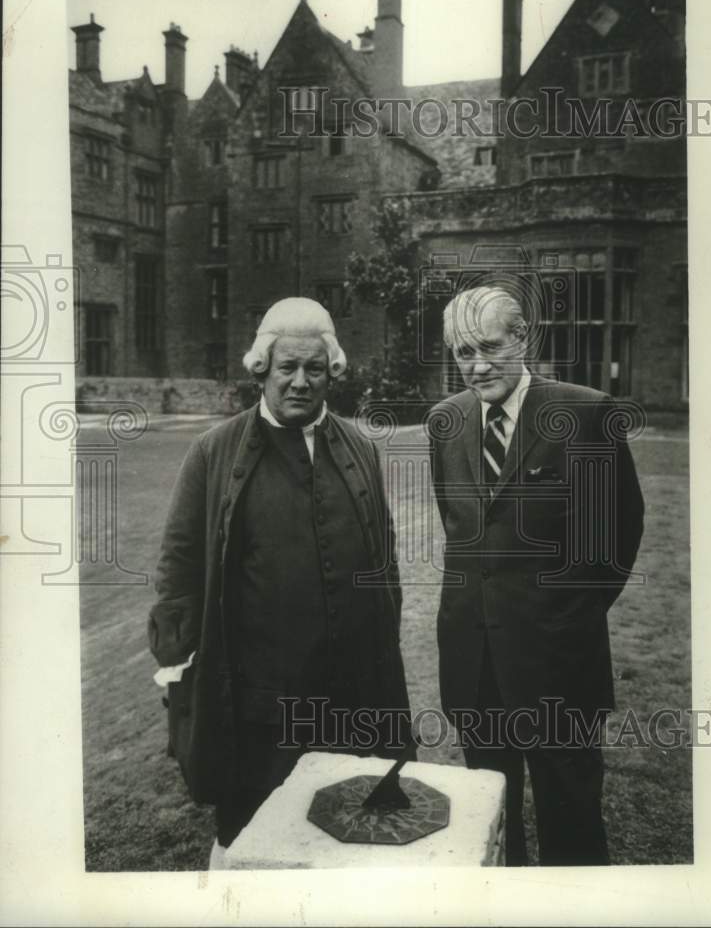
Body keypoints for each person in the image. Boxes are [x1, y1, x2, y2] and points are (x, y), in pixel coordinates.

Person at [148, 298, 411, 865]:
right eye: (286, 367)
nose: (299, 382)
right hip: (259, 707)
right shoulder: (213, 452)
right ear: (261, 368)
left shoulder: (359, 448)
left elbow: (383, 561)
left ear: (332, 373)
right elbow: (179, 566)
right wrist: (177, 655)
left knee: (348, 838)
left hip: (351, 697)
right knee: (256, 844)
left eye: (314, 369)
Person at [428, 285, 644, 866]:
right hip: (474, 663)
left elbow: (617, 541)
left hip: (560, 666)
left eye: (490, 347)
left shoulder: (586, 412)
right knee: (490, 824)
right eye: (461, 352)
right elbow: (462, 534)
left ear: (523, 336)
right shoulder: (444, 422)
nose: (475, 366)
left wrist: (561, 622)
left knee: (570, 819)